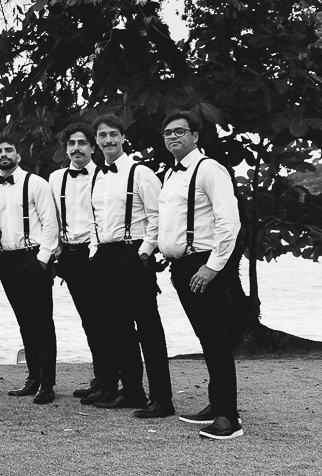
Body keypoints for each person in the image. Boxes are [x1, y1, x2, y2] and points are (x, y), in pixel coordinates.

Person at [156, 109, 243, 440]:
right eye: (167, 133)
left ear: (195, 136)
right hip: (182, 266)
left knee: (215, 339)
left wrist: (213, 266)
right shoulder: (171, 174)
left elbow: (228, 220)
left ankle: (228, 418)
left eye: (180, 131)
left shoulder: (209, 170)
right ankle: (216, 403)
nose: (173, 137)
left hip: (202, 264)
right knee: (206, 338)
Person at [88, 113, 172, 418]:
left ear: (123, 137)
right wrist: (93, 252)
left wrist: (145, 252)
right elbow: (94, 220)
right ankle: (133, 391)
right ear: (96, 141)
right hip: (106, 256)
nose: (108, 140)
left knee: (148, 328)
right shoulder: (97, 176)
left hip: (135, 254)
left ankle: (162, 398)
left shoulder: (142, 173)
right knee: (118, 328)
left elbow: (158, 218)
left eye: (113, 134)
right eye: (102, 136)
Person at [0, 135, 59, 404]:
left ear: (18, 156)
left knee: (42, 321)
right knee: (24, 322)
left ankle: (47, 383)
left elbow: (50, 224)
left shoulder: (35, 183)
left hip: (34, 258)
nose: (3, 154)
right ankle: (33, 377)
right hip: (6, 261)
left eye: (8, 149)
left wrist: (42, 259)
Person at [48, 123, 108, 400]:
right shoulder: (55, 178)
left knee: (104, 318)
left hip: (97, 253)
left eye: (82, 143)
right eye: (71, 143)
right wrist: (56, 250)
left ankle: (111, 380)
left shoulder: (105, 175)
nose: (76, 148)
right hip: (70, 255)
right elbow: (52, 219)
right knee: (88, 319)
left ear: (92, 147)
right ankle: (102, 377)